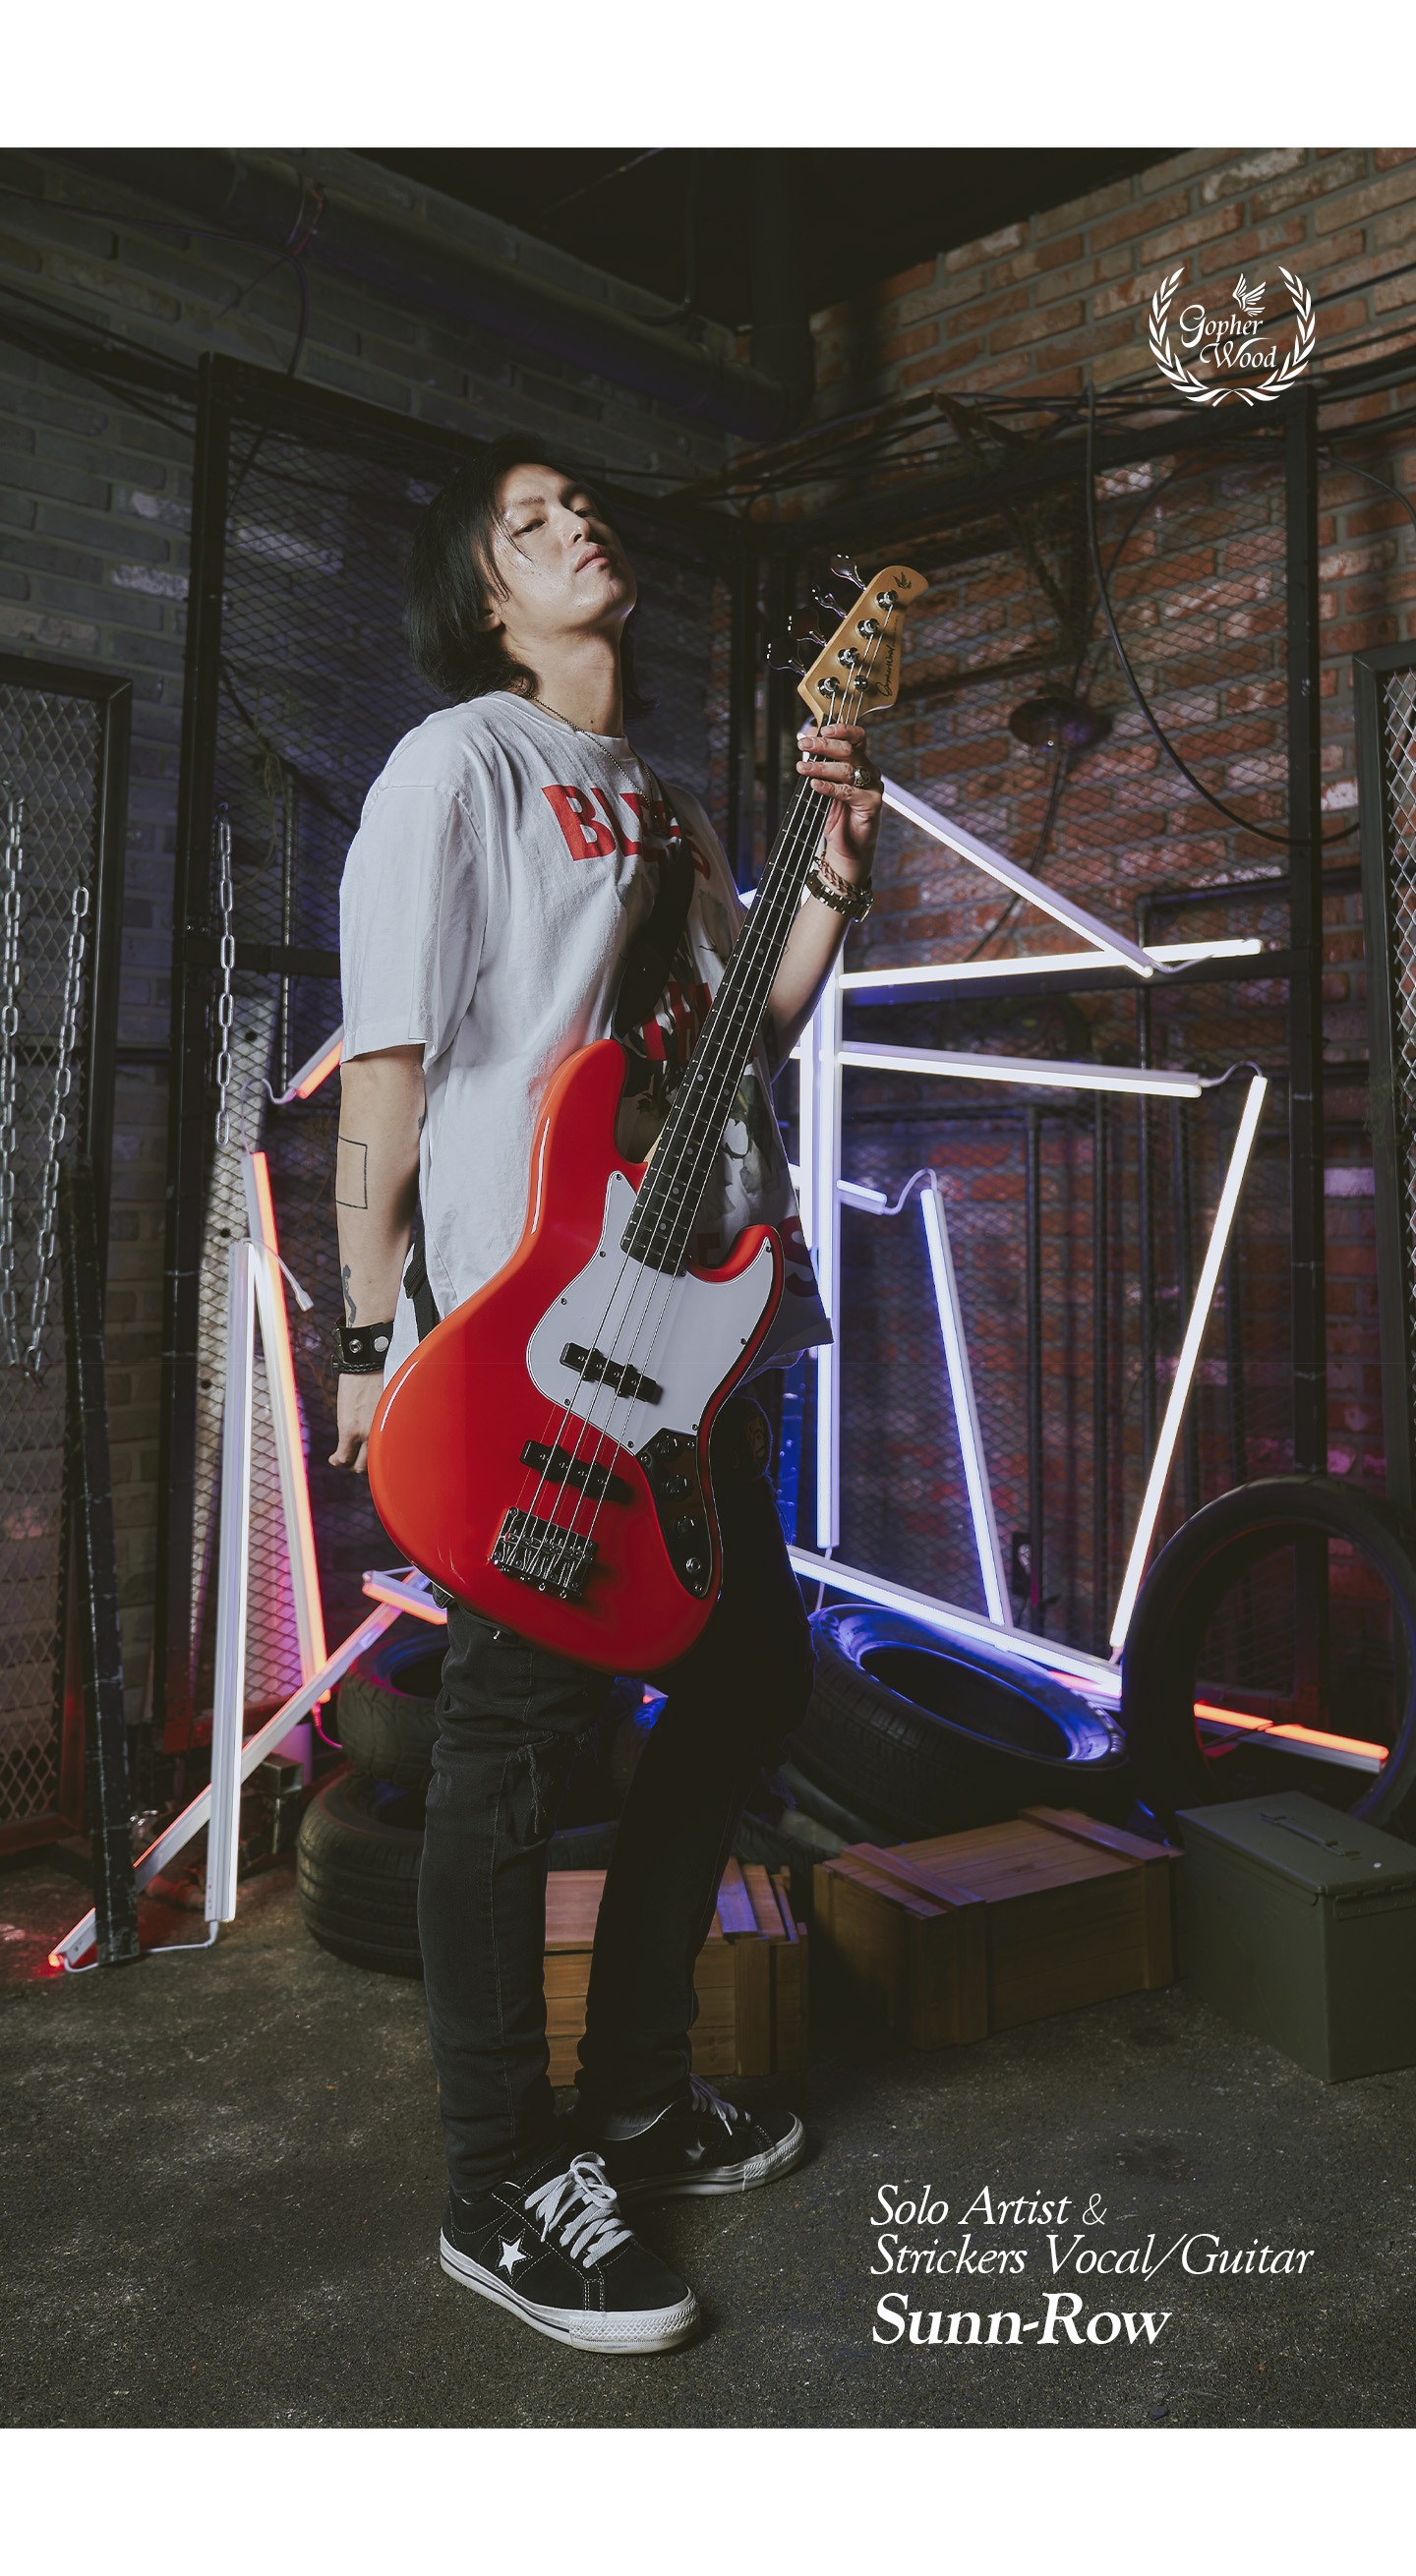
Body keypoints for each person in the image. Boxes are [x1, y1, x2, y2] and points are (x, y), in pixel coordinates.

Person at [333, 435, 882, 2354]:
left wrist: (835, 879)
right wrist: (368, 1327)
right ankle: (501, 2182)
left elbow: (752, 1028)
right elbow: (391, 1062)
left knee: (742, 1680)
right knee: (513, 1739)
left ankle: (638, 2092)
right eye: (529, 520)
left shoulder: (668, 808)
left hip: (707, 1341)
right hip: (546, 1337)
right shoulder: (458, 767)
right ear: (488, 600)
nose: (578, 524)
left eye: (585, 505)